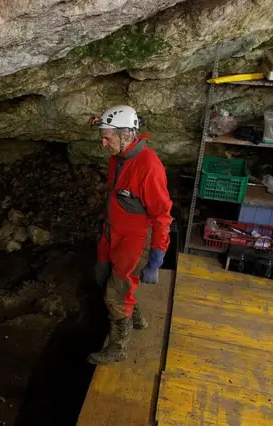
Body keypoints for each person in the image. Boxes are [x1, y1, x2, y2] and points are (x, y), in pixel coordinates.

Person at [87, 105, 173, 365]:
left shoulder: (148, 167)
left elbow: (162, 216)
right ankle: (135, 316)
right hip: (113, 233)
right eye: (102, 137)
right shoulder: (118, 158)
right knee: (102, 276)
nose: (103, 144)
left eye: (107, 138)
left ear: (126, 134)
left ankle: (118, 347)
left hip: (135, 241)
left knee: (115, 292)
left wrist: (157, 258)